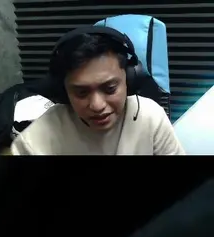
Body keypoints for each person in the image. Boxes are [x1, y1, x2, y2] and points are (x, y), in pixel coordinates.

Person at [10, 28, 184, 156]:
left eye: (110, 89)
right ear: (63, 92)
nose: (97, 105)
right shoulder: (34, 143)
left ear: (129, 79)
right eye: (81, 92)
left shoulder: (151, 118)